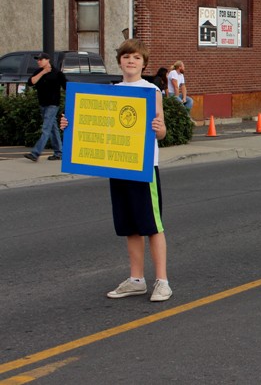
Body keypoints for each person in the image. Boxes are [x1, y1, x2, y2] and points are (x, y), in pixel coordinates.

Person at [61, 39, 171, 301]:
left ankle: (162, 281)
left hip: (144, 168)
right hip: (119, 167)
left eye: (135, 58)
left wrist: (159, 130)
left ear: (143, 64)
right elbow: (97, 126)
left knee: (153, 226)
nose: (130, 61)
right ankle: (136, 279)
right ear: (120, 61)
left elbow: (163, 131)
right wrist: (70, 123)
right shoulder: (112, 91)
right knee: (129, 226)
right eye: (126, 57)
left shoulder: (151, 91)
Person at [24, 53, 67, 162]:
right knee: (53, 128)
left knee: (46, 129)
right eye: (37, 60)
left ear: (48, 60)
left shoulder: (57, 73)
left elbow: (67, 86)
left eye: (41, 59)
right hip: (42, 104)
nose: (38, 61)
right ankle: (58, 153)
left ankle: (35, 153)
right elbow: (30, 82)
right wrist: (43, 72)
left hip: (53, 104)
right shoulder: (38, 72)